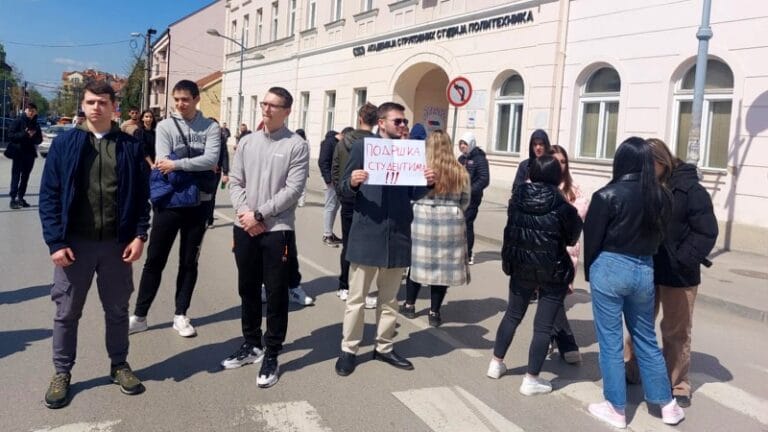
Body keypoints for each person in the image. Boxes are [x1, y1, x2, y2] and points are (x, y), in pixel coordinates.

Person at [39, 80, 150, 409]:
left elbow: (141, 198)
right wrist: (56, 242)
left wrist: (140, 235)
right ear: (83, 106)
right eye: (91, 102)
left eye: (103, 102)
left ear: (113, 106)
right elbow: (49, 196)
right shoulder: (67, 144)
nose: (96, 107)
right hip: (76, 246)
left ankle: (119, 365)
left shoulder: (129, 146)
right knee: (67, 312)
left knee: (117, 311)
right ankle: (62, 372)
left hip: (117, 245)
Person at [584, 137, 685, 428]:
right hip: (644, 267)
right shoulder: (663, 196)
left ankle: (616, 408)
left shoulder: (606, 195)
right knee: (645, 337)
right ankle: (667, 404)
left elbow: (592, 241)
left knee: (611, 341)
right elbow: (662, 236)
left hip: (610, 265)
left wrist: (591, 273)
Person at [334, 102, 435, 376]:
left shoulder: (410, 152)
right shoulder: (362, 149)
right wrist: (353, 182)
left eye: (404, 122)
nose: (404, 126)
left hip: (398, 234)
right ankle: (349, 350)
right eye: (398, 121)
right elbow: (343, 188)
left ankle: (384, 347)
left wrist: (427, 182)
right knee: (357, 298)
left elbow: (414, 193)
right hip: (368, 233)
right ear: (382, 123)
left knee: (389, 300)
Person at [222, 87, 309, 388]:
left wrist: (260, 215)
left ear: (287, 110)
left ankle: (272, 351)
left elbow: (293, 190)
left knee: (275, 292)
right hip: (244, 227)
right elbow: (235, 182)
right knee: (247, 288)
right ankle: (252, 343)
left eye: (273, 105)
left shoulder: (296, 145)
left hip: (276, 231)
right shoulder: (247, 143)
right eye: (264, 103)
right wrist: (246, 213)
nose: (266, 109)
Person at [624, 138, 718, 408]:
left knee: (676, 331)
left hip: (680, 274)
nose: (643, 170)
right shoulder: (644, 186)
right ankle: (632, 368)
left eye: (647, 164)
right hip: (647, 267)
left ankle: (678, 383)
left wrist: (684, 258)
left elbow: (707, 231)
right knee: (639, 323)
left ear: (662, 161)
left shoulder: (690, 189)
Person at [128, 80, 220, 338]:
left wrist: (179, 165)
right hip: (169, 203)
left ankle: (181, 315)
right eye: (176, 99)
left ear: (196, 99)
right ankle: (140, 315)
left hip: (199, 204)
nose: (180, 104)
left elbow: (212, 159)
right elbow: (161, 160)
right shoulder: (166, 126)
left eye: (185, 99)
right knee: (155, 260)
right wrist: (196, 164)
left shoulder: (210, 127)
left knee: (189, 262)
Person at [489, 155, 583, 397]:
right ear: (558, 177)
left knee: (512, 314)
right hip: (553, 270)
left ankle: (496, 363)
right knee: (543, 326)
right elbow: (572, 238)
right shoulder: (563, 206)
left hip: (520, 266)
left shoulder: (517, 198)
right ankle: (531, 378)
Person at [400, 130, 470, 327]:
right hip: (450, 222)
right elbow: (465, 200)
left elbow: (411, 194)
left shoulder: (420, 168)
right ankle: (434, 312)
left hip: (423, 219)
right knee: (443, 269)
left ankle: (410, 304)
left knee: (417, 263)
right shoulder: (460, 170)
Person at [331, 103, 378, 301]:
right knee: (368, 246)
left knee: (348, 243)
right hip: (371, 200)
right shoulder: (379, 144)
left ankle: (344, 285)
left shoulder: (343, 142)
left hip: (348, 198)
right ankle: (363, 290)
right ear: (376, 122)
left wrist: (343, 192)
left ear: (359, 118)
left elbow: (335, 169)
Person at [548, 144, 587, 364]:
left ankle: (551, 338)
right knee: (552, 297)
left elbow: (577, 216)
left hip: (566, 252)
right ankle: (566, 343)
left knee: (555, 297)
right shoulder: (536, 183)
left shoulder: (574, 189)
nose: (560, 165)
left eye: (563, 161)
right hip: (543, 250)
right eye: (556, 161)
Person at [458, 131, 489, 265]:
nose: (462, 146)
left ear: (471, 144)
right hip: (459, 196)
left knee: (467, 223)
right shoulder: (461, 159)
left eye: (465, 143)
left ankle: (468, 254)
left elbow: (484, 179)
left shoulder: (479, 159)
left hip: (472, 198)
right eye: (461, 143)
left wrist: (469, 190)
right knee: (459, 224)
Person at [6, 102, 42, 209]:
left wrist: (33, 137)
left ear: (35, 112)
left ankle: (21, 198)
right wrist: (25, 134)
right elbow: (10, 135)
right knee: (16, 176)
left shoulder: (36, 124)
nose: (31, 112)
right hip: (18, 152)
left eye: (33, 111)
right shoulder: (18, 121)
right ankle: (13, 199)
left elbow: (39, 140)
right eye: (29, 110)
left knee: (25, 177)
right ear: (25, 110)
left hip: (30, 154)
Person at [318, 128, 347, 246]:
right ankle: (327, 235)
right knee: (330, 206)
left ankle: (329, 233)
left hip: (339, 180)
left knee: (335, 207)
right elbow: (323, 161)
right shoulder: (329, 143)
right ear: (343, 135)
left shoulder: (340, 143)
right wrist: (328, 179)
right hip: (331, 180)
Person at [206, 117, 230, 228]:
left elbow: (225, 155)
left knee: (211, 195)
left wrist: (225, 173)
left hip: (216, 172)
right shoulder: (201, 138)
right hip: (202, 171)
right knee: (199, 195)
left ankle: (209, 220)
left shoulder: (221, 139)